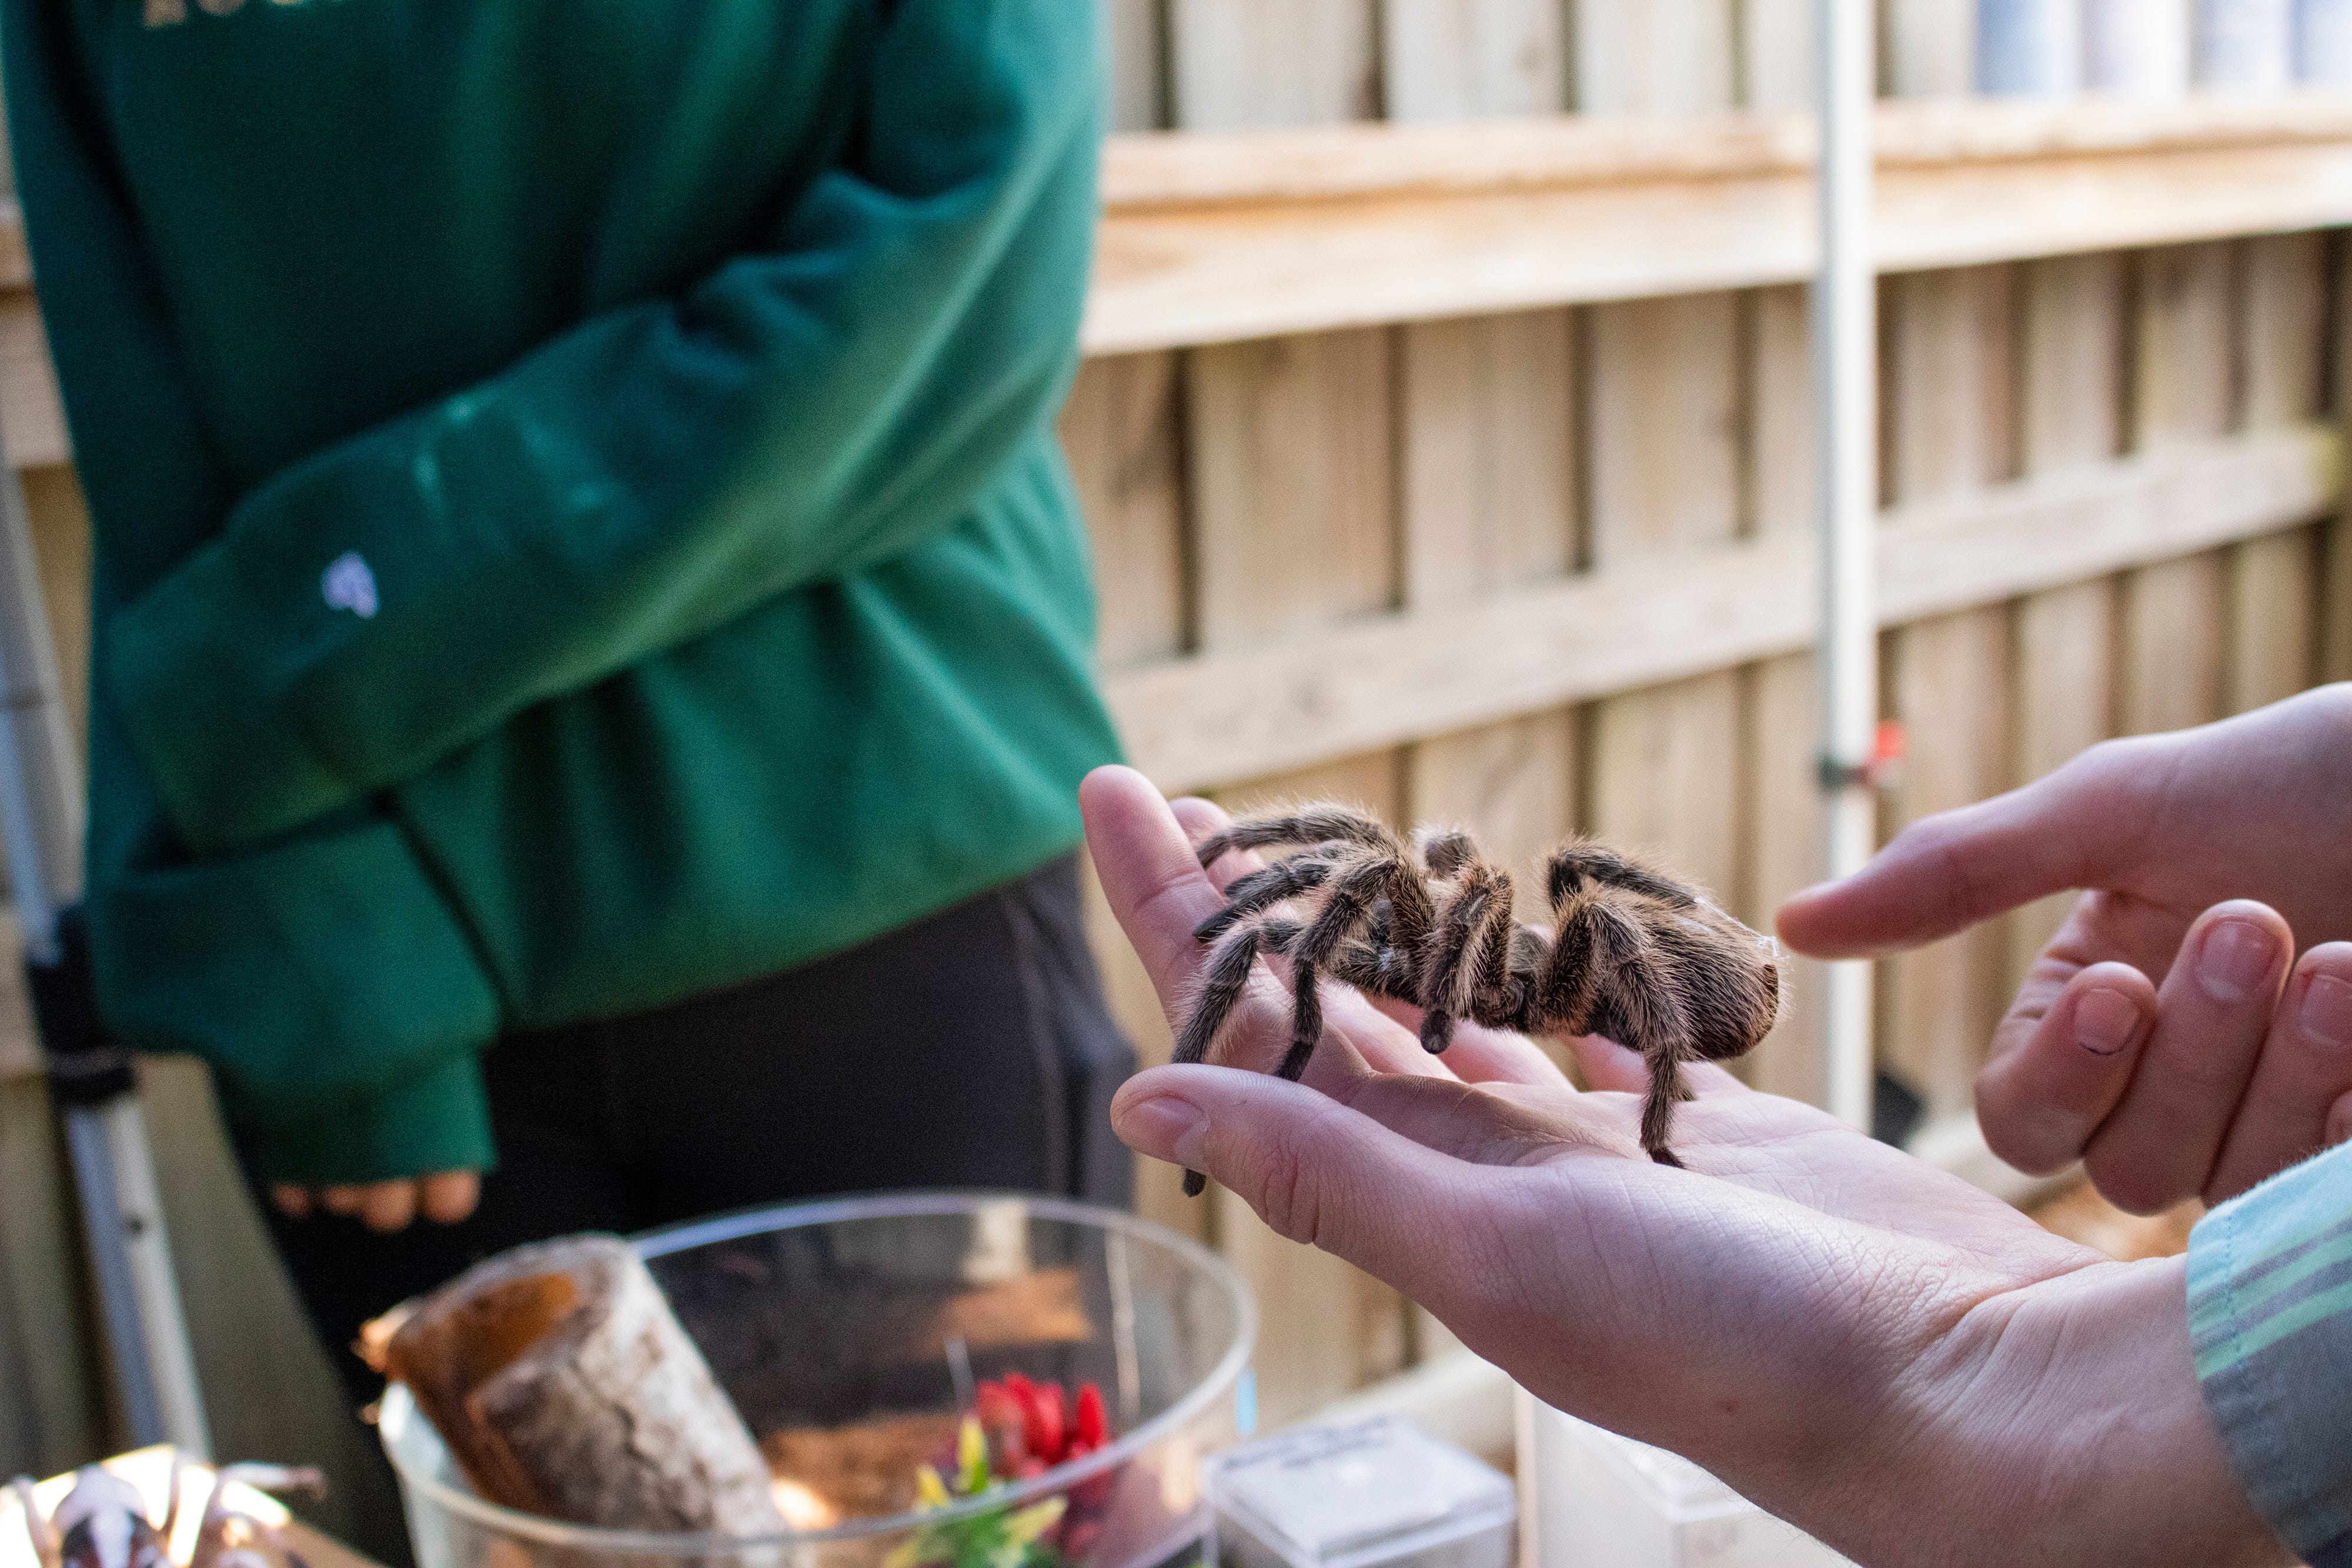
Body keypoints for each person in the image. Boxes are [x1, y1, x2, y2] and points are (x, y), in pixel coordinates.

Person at [6, 0, 1131, 1403]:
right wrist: (320, 966)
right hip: (389, 987)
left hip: (877, 882)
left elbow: (971, 251)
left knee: (984, 1542)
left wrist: (343, 616)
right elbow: (137, 386)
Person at [1083, 684, 2352, 1568]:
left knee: (1470, 874)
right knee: (1371, 872)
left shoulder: (1545, 959)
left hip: (1666, 986)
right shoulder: (1419, 938)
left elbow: (1495, 897)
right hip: (1640, 982)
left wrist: (1650, 1125)